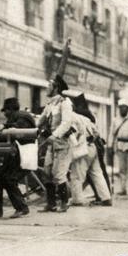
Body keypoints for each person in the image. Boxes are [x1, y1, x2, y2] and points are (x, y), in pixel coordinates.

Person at [0, 97, 35, 218]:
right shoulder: (17, 116)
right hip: (16, 155)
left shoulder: (22, 116)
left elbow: (19, 128)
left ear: (11, 109)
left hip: (24, 154)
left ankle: (22, 208)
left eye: (5, 110)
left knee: (9, 179)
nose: (4, 113)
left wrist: (4, 127)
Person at [36, 74, 75, 212]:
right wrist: (33, 128)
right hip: (51, 144)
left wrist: (55, 135)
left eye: (49, 86)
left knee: (59, 174)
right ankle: (51, 203)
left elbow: (66, 123)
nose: (47, 88)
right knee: (46, 173)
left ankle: (65, 202)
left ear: (56, 88)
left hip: (63, 143)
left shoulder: (65, 103)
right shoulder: (50, 104)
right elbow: (40, 120)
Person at [68, 93, 112, 207]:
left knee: (77, 175)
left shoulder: (71, 117)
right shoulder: (86, 117)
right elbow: (96, 133)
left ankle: (77, 200)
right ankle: (106, 198)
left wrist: (75, 146)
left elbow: (71, 134)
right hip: (93, 147)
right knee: (97, 174)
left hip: (82, 148)